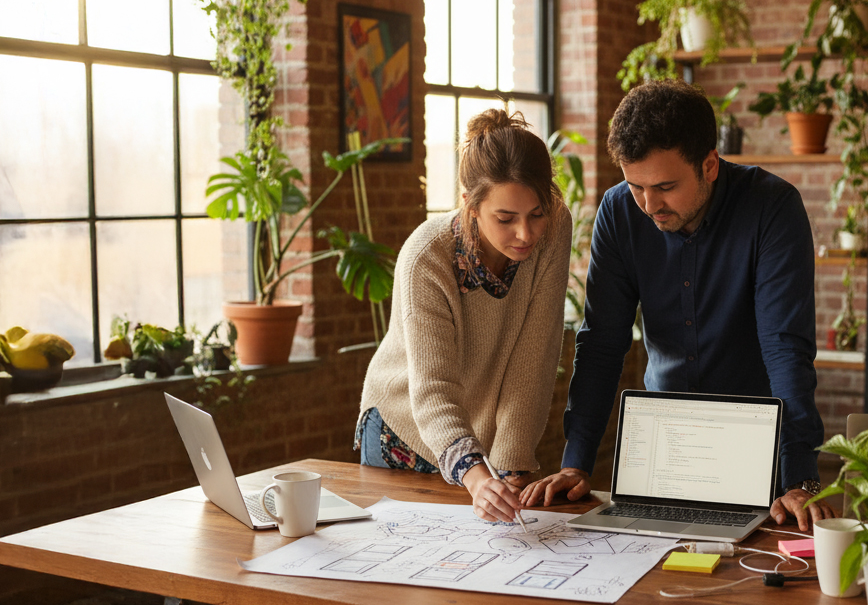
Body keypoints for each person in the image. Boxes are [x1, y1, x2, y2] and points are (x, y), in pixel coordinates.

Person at [520, 80, 837, 530]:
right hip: (661, 448)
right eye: (636, 186)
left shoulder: (773, 208)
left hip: (758, 447)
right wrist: (576, 462)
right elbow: (603, 342)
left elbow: (785, 347)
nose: (649, 205)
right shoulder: (618, 211)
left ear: (709, 165)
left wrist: (801, 480)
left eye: (665, 186)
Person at [356, 109, 571, 524]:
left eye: (536, 213)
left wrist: (509, 469)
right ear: (469, 204)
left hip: (479, 445)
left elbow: (535, 356)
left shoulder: (555, 229)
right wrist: (477, 478)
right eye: (505, 219)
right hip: (404, 435)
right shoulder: (426, 258)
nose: (525, 233)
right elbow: (433, 391)